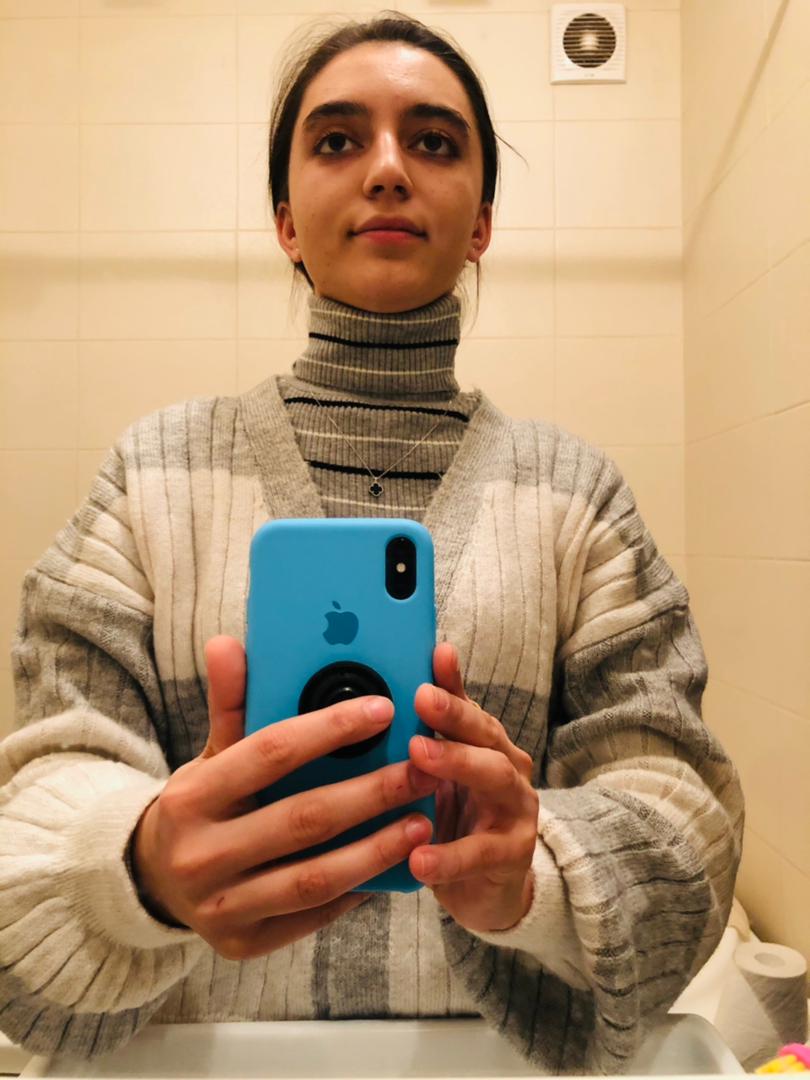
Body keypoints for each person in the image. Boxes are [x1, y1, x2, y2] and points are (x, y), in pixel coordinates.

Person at [0, 10, 744, 1075]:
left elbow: (682, 816)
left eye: (433, 141)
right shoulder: (149, 474)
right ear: (285, 222)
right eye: (339, 140)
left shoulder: (576, 500)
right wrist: (141, 866)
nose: (388, 170)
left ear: (481, 222)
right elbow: (42, 785)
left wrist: (535, 874)